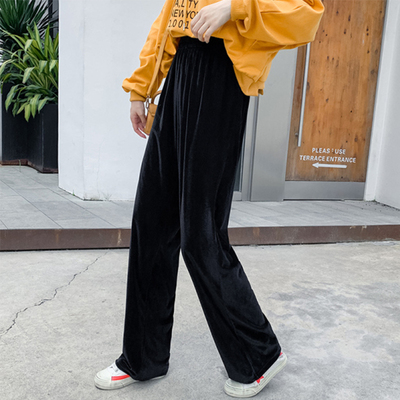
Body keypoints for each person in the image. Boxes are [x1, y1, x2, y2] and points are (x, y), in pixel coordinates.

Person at [95, 0, 324, 397]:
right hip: (180, 72)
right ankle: (143, 358)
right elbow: (169, 19)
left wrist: (235, 8)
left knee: (201, 234)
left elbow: (306, 15)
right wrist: (141, 87)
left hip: (222, 74)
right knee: (151, 223)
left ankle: (258, 356)